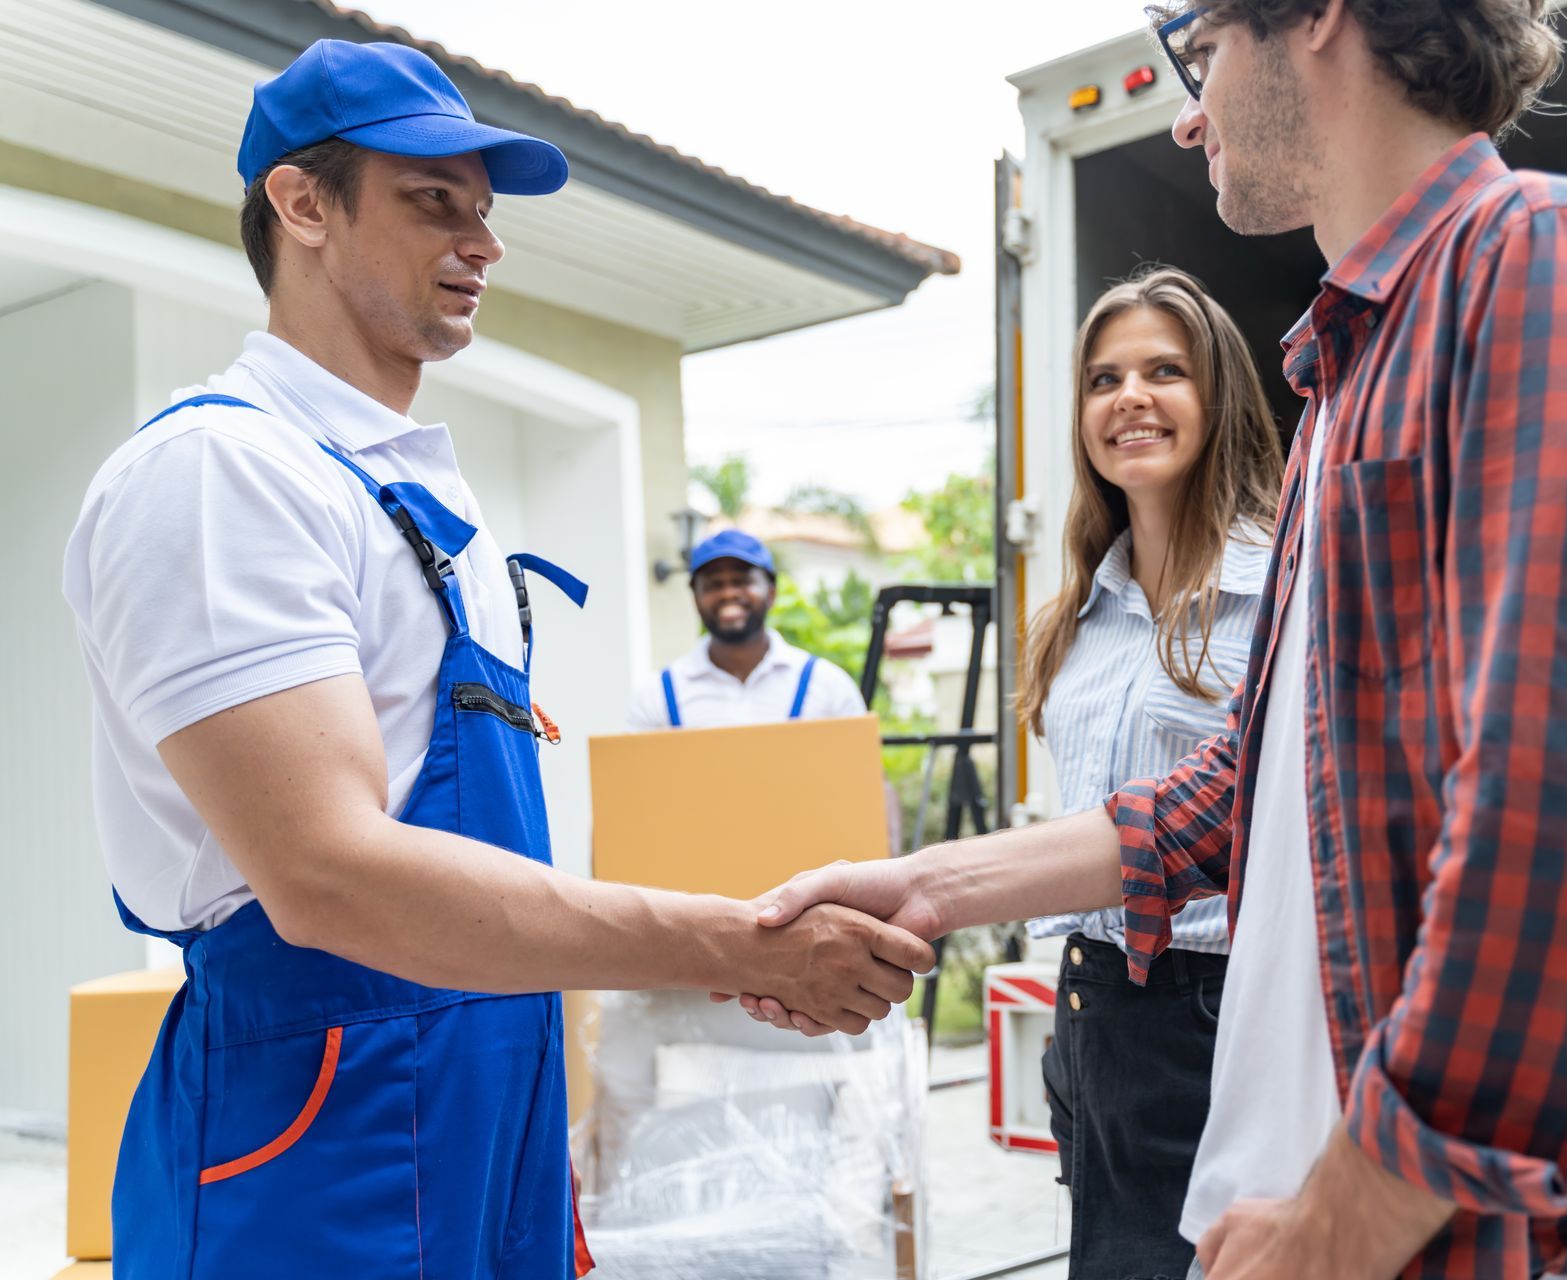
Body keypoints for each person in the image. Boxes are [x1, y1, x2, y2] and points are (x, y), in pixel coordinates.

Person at [734, 3, 1567, 1278]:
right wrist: (931, 888)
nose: (1188, 115)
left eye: (1199, 54)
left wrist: (1347, 1218)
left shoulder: (1547, 264)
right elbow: (1242, 791)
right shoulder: (1342, 388)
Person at [62, 40, 931, 1278]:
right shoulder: (221, 478)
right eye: (433, 202)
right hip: (319, 1115)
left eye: (484, 209)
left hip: (493, 1087)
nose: (483, 241)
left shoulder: (413, 501)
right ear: (301, 204)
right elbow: (329, 875)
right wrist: (735, 943)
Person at [1019, 266, 1283, 1279]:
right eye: (1103, 378)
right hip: (1093, 1015)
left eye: (1164, 370)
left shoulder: (1281, 594)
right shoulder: (1079, 616)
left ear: (1217, 398)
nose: (1128, 395)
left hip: (1217, 1016)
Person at [627, 529, 867, 730]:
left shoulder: (827, 686)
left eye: (742, 581)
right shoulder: (657, 696)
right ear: (695, 598)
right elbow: (630, 784)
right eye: (713, 585)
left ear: (771, 592)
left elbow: (867, 779)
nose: (728, 593)